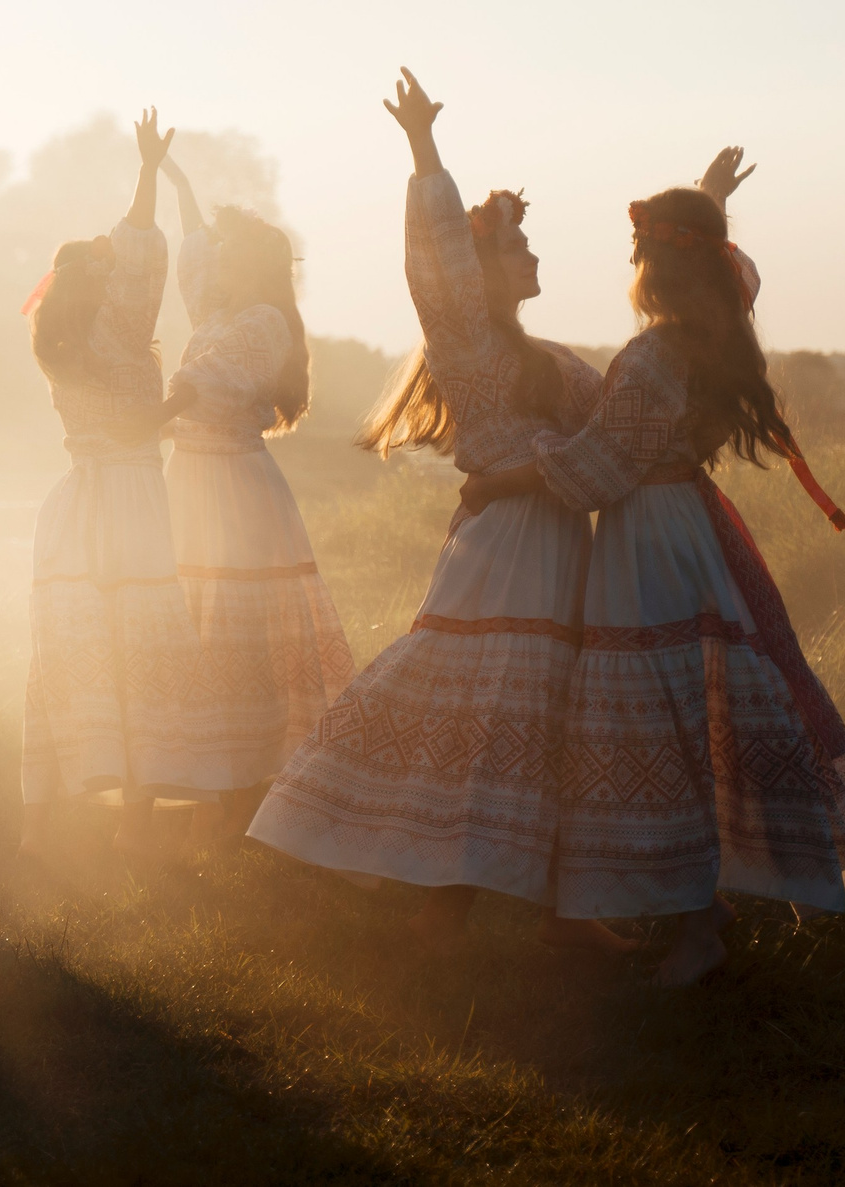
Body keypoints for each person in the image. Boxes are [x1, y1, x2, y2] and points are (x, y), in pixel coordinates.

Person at [457, 149, 845, 986]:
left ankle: (697, 927)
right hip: (685, 525)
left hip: (646, 537)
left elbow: (597, 468)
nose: (630, 263)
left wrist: (500, 479)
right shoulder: (719, 327)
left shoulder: (659, 354)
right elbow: (740, 273)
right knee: (683, 715)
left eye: (638, 250)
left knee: (656, 722)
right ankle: (685, 906)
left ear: (657, 262)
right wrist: (712, 198)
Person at [247, 71, 629, 950]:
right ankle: (445, 903)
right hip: (502, 553)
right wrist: (424, 150)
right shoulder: (468, 338)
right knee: (485, 710)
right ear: (484, 267)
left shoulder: (552, 358)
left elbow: (614, 435)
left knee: (548, 718)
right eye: (519, 245)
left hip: (559, 546)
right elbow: (436, 258)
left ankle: (554, 910)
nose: (534, 256)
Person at [19, 112, 229, 864]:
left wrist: (146, 177)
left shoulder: (60, 344)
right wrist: (182, 398)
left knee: (73, 652)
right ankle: (133, 820)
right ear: (94, 287)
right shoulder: (110, 332)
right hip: (132, 503)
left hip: (79, 505)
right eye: (105, 274)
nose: (122, 280)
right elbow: (140, 261)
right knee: (143, 650)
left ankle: (37, 824)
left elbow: (134, 257)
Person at [157, 156, 355, 836]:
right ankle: (210, 787)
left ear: (254, 267)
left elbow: (206, 378)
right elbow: (194, 258)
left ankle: (245, 795)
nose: (218, 264)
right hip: (191, 480)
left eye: (231, 257)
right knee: (195, 629)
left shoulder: (265, 321)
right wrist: (179, 186)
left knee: (238, 638)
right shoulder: (218, 306)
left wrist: (139, 423)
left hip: (235, 490)